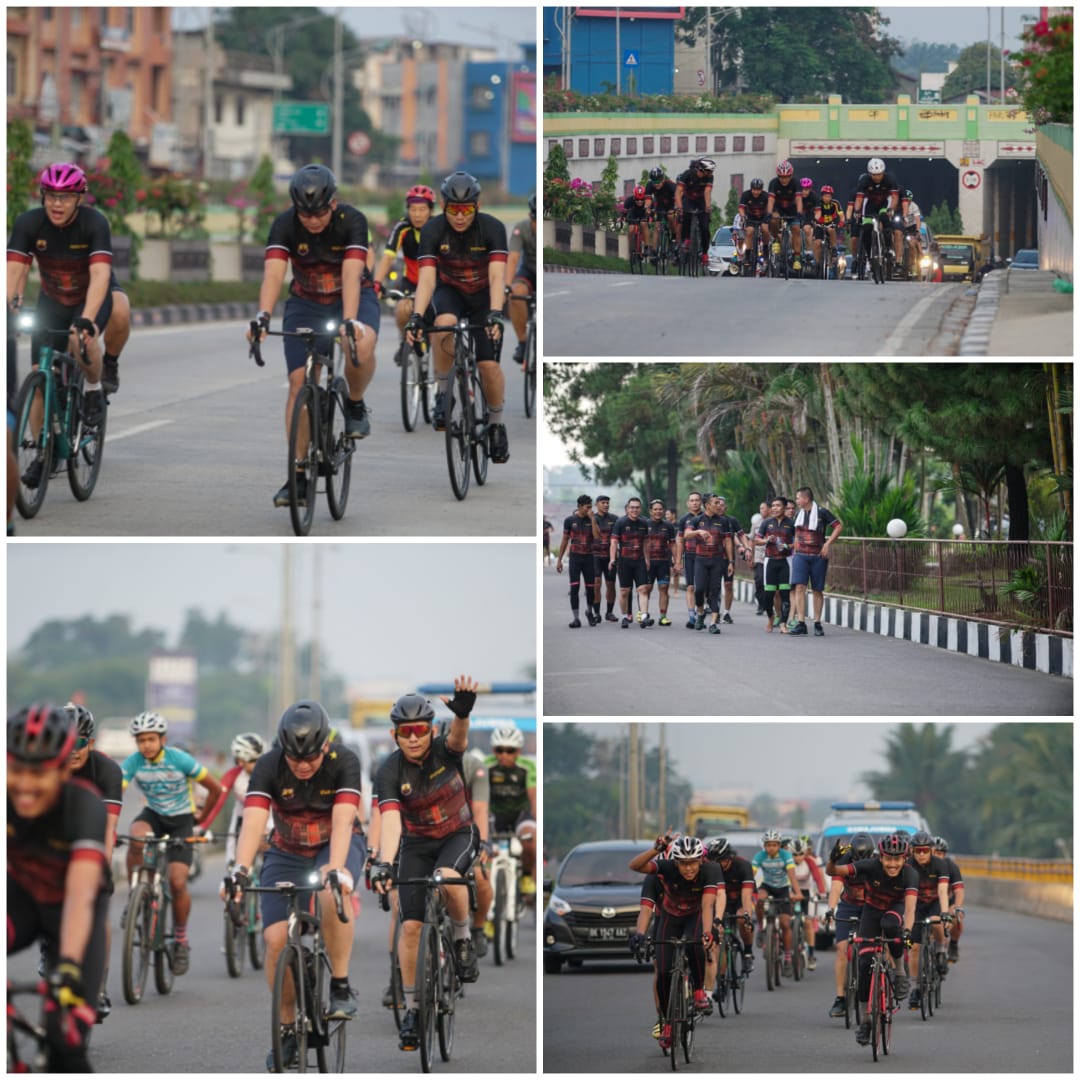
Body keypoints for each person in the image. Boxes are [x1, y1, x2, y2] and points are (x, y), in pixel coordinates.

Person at [226, 701, 366, 1069]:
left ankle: (340, 984)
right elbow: (253, 823)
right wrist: (239, 871)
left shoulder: (344, 761)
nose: (303, 766)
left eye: (311, 758)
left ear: (325, 746)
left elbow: (343, 823)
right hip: (287, 850)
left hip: (334, 845)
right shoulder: (268, 765)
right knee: (275, 939)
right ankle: (287, 1029)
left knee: (330, 890)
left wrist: (336, 869)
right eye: (294, 758)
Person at [247, 163, 380, 509]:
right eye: (306, 215)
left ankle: (354, 403)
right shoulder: (284, 224)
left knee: (359, 346)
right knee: (298, 384)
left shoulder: (352, 221)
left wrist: (349, 321)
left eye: (319, 213)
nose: (313, 221)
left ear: (333, 203)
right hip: (307, 301)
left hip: (352, 296)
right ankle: (298, 475)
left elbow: (351, 274)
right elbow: (273, 274)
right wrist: (263, 316)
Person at [369, 678, 481, 1052]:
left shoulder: (444, 750)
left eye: (420, 730)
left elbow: (459, 740)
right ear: (395, 735)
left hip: (457, 834)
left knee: (448, 879)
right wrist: (385, 863)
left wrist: (462, 715)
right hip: (417, 844)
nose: (414, 738)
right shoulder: (389, 771)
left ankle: (462, 939)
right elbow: (390, 821)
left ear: (431, 730)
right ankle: (414, 1010)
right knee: (411, 926)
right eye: (406, 732)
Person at [7, 163, 132, 459]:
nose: (57, 204)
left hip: (89, 295)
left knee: (81, 338)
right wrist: (9, 308)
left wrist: (87, 319)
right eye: (51, 196)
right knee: (39, 377)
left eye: (65, 197)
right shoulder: (29, 223)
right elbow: (13, 271)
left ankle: (93, 389)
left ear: (79, 199)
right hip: (52, 299)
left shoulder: (94, 223)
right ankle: (42, 454)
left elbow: (100, 275)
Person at [8, 704, 108, 1072]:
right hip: (20, 902)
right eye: (16, 770)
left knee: (65, 1040)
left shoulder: (84, 806)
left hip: (72, 911)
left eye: (39, 773)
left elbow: (81, 897)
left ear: (63, 771)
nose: (25, 786)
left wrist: (67, 967)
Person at [405, 172, 509, 463]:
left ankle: (496, 424)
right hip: (449, 290)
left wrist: (496, 314)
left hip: (484, 296)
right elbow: (427, 279)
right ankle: (443, 393)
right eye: (453, 210)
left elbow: (497, 276)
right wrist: (416, 315)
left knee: (488, 366)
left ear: (477, 206)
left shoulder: (492, 228)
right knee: (442, 325)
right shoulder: (433, 229)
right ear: (443, 206)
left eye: (466, 210)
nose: (460, 217)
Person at [121, 711, 222, 977]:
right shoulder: (133, 762)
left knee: (177, 882)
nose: (146, 745)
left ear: (162, 740)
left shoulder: (180, 759)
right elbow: (116, 791)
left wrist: (202, 820)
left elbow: (215, 789)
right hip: (153, 815)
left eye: (151, 739)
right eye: (141, 740)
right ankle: (135, 896)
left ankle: (180, 940)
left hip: (181, 820)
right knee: (135, 835)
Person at [628, 835, 720, 1048]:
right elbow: (645, 907)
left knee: (696, 945)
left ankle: (698, 991)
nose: (688, 869)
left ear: (701, 861)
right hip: (669, 919)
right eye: (683, 864)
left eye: (693, 863)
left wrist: (708, 932)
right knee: (662, 972)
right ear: (675, 862)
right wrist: (640, 934)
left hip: (694, 916)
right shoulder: (664, 871)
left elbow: (707, 905)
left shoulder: (710, 870)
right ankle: (667, 1024)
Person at [827, 834, 917, 1047]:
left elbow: (910, 909)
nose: (893, 864)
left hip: (895, 909)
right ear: (881, 857)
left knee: (891, 926)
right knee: (865, 963)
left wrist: (907, 931)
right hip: (871, 911)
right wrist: (832, 860)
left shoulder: (910, 874)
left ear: (904, 859)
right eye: (888, 859)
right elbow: (834, 872)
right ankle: (866, 1022)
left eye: (897, 859)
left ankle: (900, 972)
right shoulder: (869, 866)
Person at [65, 701, 122, 1022]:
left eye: (80, 743)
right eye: (66, 742)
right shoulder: (44, 766)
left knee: (97, 912)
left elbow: (109, 829)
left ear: (92, 742)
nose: (73, 750)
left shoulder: (107, 771)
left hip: (93, 838)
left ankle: (98, 986)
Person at [373, 184, 435, 348]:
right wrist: (377, 283)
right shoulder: (402, 227)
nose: (417, 215)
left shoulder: (437, 227)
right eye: (413, 209)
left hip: (435, 282)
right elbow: (388, 256)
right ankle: (404, 343)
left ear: (431, 210)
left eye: (422, 209)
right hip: (411, 282)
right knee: (401, 310)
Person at [825, 832, 878, 1019]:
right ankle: (840, 998)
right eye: (856, 859)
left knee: (876, 945)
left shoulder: (878, 863)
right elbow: (836, 887)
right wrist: (830, 909)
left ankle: (881, 978)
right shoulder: (843, 860)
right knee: (841, 950)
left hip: (870, 906)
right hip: (848, 906)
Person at [200, 732, 268, 865]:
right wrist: (203, 825)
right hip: (241, 818)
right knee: (234, 862)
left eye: (256, 761)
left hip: (268, 817)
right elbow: (218, 801)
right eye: (239, 760)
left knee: (269, 855)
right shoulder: (234, 774)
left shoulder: (270, 774)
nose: (240, 764)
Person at [484, 724, 537, 891]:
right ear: (493, 750)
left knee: (530, 841)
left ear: (518, 751)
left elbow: (534, 796)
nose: (504, 755)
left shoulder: (528, 767)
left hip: (521, 814)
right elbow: (478, 797)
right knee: (479, 845)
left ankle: (526, 875)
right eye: (499, 750)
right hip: (495, 815)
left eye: (510, 750)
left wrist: (537, 819)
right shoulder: (485, 766)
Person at [904, 829, 952, 1011]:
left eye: (925, 850)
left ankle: (940, 951)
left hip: (934, 902)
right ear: (912, 851)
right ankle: (915, 988)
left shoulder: (940, 864)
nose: (921, 854)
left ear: (931, 850)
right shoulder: (907, 865)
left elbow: (942, 891)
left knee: (936, 921)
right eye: (918, 851)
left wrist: (945, 912)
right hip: (916, 905)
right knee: (914, 947)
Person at [789, 486, 842, 636]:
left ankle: (817, 623)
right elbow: (796, 531)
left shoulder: (822, 512)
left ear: (806, 499)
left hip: (818, 556)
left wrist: (827, 544)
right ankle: (801, 623)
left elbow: (838, 526)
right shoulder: (798, 514)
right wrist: (795, 543)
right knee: (799, 587)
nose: (797, 501)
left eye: (798, 498)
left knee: (817, 590)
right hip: (800, 556)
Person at [705, 836, 756, 994]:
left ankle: (748, 953)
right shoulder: (710, 868)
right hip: (722, 902)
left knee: (742, 919)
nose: (717, 865)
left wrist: (747, 916)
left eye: (720, 861)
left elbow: (747, 896)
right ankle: (721, 982)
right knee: (719, 940)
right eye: (713, 861)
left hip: (741, 899)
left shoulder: (743, 866)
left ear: (729, 858)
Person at [751, 828, 804, 977]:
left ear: (779, 845)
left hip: (783, 888)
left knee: (785, 924)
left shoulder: (786, 855)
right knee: (760, 899)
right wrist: (747, 890)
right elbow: (751, 874)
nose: (771, 848)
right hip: (767, 886)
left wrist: (798, 893)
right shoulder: (760, 856)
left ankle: (787, 957)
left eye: (774, 845)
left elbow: (792, 876)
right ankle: (761, 928)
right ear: (764, 846)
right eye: (768, 845)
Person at [686, 493, 734, 634]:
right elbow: (686, 534)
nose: (719, 505)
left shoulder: (723, 521)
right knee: (699, 589)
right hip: (700, 559)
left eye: (719, 503)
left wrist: (730, 561)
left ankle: (713, 623)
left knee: (715, 590)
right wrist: (698, 532)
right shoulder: (697, 520)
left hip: (717, 560)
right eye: (716, 503)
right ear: (707, 505)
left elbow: (728, 541)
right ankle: (701, 613)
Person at [556, 494, 599, 628]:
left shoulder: (593, 519)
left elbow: (597, 536)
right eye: (587, 507)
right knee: (574, 587)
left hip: (589, 557)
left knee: (590, 588)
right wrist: (559, 560)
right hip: (575, 557)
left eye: (591, 507)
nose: (590, 510)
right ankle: (576, 618)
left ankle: (590, 612)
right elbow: (565, 540)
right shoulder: (569, 521)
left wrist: (593, 519)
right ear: (579, 506)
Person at [851, 158, 902, 273]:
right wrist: (857, 210)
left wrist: (891, 208)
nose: (876, 177)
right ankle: (870, 256)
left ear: (883, 172)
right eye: (873, 175)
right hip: (870, 205)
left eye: (879, 174)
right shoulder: (864, 180)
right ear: (870, 174)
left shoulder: (890, 179)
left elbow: (894, 198)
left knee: (885, 220)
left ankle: (888, 248)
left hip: (885, 204)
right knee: (866, 229)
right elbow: (859, 198)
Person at [755, 495, 795, 633]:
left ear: (784, 507)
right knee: (768, 594)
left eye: (778, 505)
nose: (775, 508)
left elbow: (798, 542)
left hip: (786, 561)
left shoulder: (792, 523)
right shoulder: (767, 523)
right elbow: (757, 540)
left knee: (785, 593)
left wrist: (787, 546)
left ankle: (783, 623)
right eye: (773, 506)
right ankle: (771, 618)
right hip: (770, 561)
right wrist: (766, 540)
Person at [610, 496, 651, 629]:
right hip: (624, 561)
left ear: (640, 509)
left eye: (637, 507)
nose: (635, 510)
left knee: (643, 589)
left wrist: (647, 559)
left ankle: (644, 616)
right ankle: (624, 616)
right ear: (628, 509)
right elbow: (614, 542)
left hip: (639, 561)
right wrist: (612, 559)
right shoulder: (620, 523)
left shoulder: (644, 523)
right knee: (624, 591)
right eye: (632, 507)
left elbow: (646, 542)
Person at [506, 194, 536, 368]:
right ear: (530, 216)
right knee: (516, 293)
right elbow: (513, 258)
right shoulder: (521, 229)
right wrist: (507, 287)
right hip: (528, 272)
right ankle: (523, 342)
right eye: (535, 220)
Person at [715, 496, 752, 624]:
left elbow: (740, 535)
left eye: (722, 505)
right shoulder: (709, 520)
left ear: (726, 507)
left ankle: (726, 612)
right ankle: (714, 610)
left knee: (728, 585)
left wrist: (746, 548)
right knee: (713, 586)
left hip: (728, 558)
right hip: (713, 558)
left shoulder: (732, 521)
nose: (719, 507)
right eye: (717, 504)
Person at [642, 498, 677, 626]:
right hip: (648, 562)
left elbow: (673, 544)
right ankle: (643, 613)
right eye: (655, 509)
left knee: (663, 588)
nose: (658, 511)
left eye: (660, 509)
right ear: (650, 511)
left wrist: (677, 561)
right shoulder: (644, 524)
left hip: (663, 562)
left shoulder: (668, 526)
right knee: (647, 589)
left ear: (663, 511)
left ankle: (663, 617)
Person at [766, 160, 804, 273]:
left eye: (786, 177)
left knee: (796, 229)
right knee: (774, 220)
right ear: (778, 176)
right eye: (781, 177)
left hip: (792, 210)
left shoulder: (796, 183)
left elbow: (798, 199)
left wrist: (800, 212)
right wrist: (769, 213)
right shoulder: (773, 183)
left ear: (791, 176)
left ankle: (797, 258)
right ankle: (776, 238)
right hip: (778, 209)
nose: (784, 180)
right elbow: (771, 200)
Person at [674, 159, 714, 262]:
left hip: (701, 200)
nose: (711, 173)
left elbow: (707, 192)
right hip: (689, 199)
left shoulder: (709, 177)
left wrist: (708, 206)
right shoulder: (687, 174)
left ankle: (704, 253)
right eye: (709, 171)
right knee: (684, 217)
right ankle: (686, 239)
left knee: (705, 228)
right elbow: (678, 191)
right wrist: (679, 207)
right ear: (702, 169)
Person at [932, 836, 965, 963]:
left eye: (939, 853)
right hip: (929, 902)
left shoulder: (951, 867)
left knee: (957, 917)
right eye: (934, 853)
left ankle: (954, 944)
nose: (936, 856)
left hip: (948, 901)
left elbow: (959, 891)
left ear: (944, 855)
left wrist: (956, 906)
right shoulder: (923, 866)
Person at [676, 492, 704, 627]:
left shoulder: (706, 518)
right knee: (690, 587)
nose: (694, 503)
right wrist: (678, 561)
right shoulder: (683, 520)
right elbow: (680, 541)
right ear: (688, 503)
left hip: (705, 556)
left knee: (702, 588)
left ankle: (701, 612)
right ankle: (692, 616)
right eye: (692, 500)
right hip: (689, 556)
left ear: (701, 502)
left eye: (697, 500)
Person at [591, 494, 620, 623]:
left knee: (611, 585)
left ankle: (609, 612)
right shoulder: (592, 518)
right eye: (603, 503)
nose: (606, 505)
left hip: (610, 557)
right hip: (595, 556)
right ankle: (596, 613)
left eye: (607, 503)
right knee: (597, 584)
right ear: (596, 504)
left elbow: (619, 537)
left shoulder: (614, 519)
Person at [644, 167, 677, 260]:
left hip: (671, 204)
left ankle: (673, 236)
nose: (656, 184)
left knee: (670, 217)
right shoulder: (649, 185)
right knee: (657, 226)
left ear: (663, 179)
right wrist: (647, 208)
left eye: (658, 182)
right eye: (654, 182)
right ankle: (654, 251)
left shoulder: (670, 185)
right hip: (660, 205)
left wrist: (675, 208)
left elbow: (678, 197)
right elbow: (648, 199)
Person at [738, 178, 770, 274]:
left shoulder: (765, 196)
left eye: (758, 190)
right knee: (750, 232)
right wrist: (743, 216)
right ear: (751, 188)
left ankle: (765, 249)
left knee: (765, 230)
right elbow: (741, 208)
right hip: (750, 217)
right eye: (754, 189)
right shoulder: (746, 195)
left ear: (761, 189)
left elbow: (770, 208)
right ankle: (747, 255)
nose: (756, 192)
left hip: (763, 217)